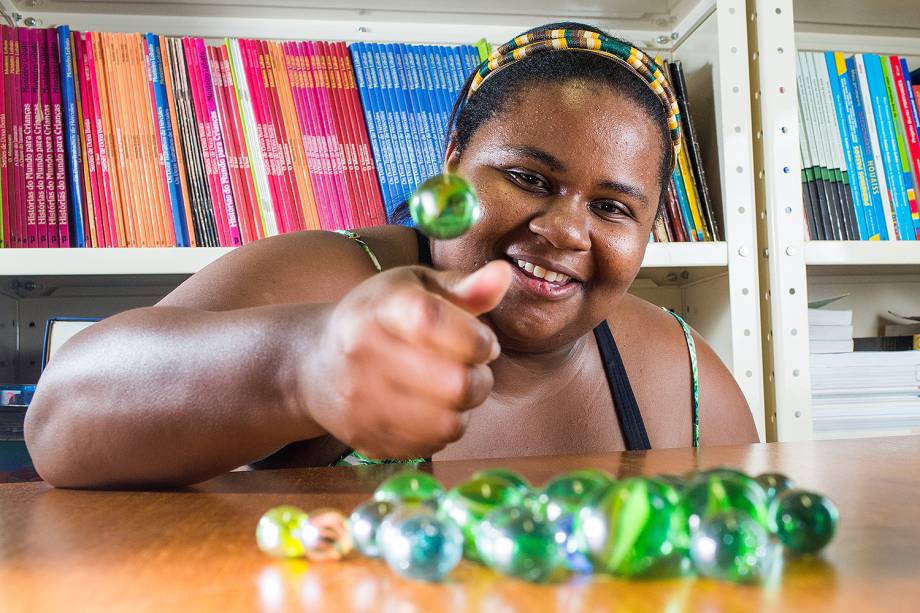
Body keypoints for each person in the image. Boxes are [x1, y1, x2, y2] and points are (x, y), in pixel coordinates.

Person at [25, 23, 758, 489]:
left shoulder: (681, 373)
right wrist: (301, 363)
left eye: (612, 208)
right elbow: (59, 420)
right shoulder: (333, 274)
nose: (566, 231)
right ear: (452, 160)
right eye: (529, 178)